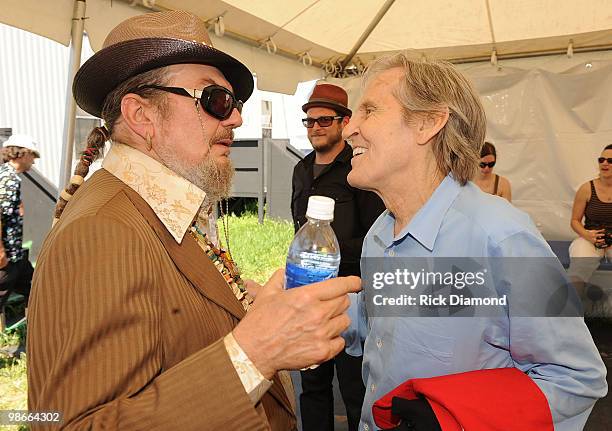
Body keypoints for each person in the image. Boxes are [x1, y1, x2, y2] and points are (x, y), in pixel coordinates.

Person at [27, 11, 360, 430]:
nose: (236, 118)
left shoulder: (164, 209)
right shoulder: (102, 229)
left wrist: (243, 310)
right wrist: (255, 351)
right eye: (214, 101)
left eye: (234, 103)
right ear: (141, 115)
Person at [341, 53, 607, 430]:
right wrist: (315, 312)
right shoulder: (379, 235)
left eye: (369, 110)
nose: (349, 129)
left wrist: (459, 420)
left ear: (429, 123)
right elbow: (384, 326)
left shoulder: (501, 237)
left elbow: (575, 378)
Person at [292, 84, 385, 431]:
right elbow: (298, 230)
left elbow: (376, 237)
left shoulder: (359, 170)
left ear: (345, 122)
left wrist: (325, 253)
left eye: (324, 120)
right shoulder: (300, 170)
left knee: (353, 386)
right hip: (309, 295)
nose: (315, 127)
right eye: (309, 121)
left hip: (350, 299)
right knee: (312, 385)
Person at [0, 134, 39, 319]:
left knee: (35, 290)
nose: (34, 161)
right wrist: (0, 254)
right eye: (33, 155)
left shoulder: (9, 177)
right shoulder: (8, 179)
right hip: (6, 259)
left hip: (17, 256)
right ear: (23, 154)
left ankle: (35, 335)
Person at [568, 144, 612, 295]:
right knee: (578, 270)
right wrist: (588, 235)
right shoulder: (587, 188)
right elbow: (574, 220)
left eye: (610, 160)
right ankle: (572, 316)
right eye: (601, 159)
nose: (605, 163)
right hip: (589, 238)